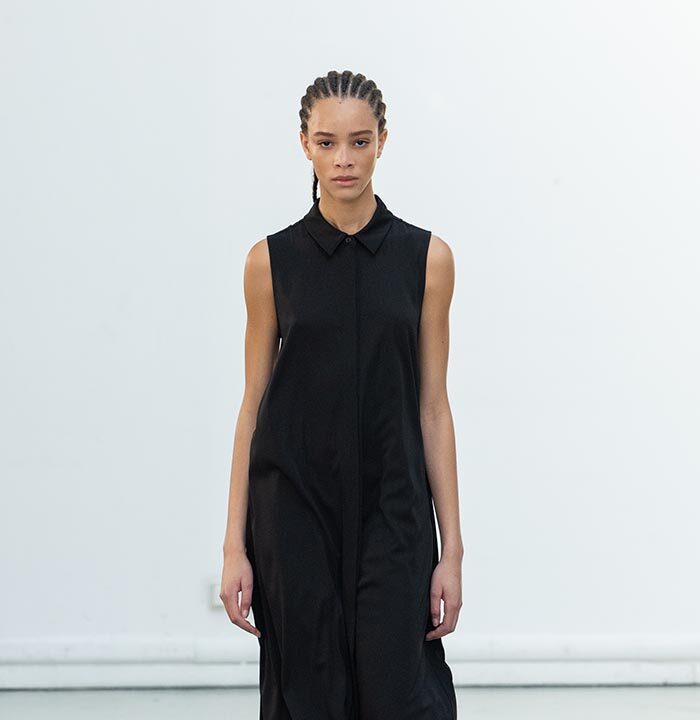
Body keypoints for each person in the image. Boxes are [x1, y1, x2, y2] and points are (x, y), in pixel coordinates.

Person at [220, 69, 464, 719]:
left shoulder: (427, 260)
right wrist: (234, 546)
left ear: (383, 140)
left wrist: (452, 551)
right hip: (293, 509)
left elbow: (434, 408)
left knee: (399, 692)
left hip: (394, 508)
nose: (344, 160)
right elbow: (252, 405)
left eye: (359, 142)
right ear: (304, 144)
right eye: (327, 143)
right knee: (309, 697)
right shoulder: (269, 262)